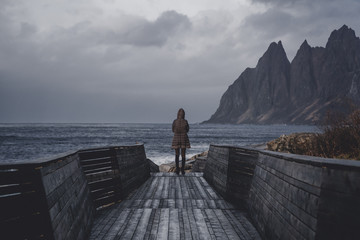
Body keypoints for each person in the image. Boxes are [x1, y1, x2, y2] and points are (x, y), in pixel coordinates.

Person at [171, 108, 191, 175]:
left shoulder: (175, 121)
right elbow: (187, 130)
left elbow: (173, 130)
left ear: (178, 114)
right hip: (184, 138)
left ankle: (177, 169)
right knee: (183, 154)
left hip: (176, 138)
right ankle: (182, 170)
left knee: (177, 154)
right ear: (183, 114)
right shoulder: (185, 121)